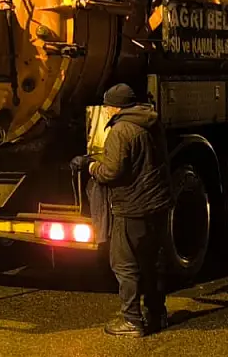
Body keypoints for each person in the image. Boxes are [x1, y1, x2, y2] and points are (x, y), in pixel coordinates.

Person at [72, 84, 173, 337]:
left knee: (124, 264)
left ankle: (131, 320)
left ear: (115, 107)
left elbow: (112, 172)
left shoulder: (121, 130)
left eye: (107, 107)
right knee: (151, 262)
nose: (106, 111)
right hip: (157, 204)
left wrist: (91, 166)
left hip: (131, 207)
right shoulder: (151, 122)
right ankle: (157, 313)